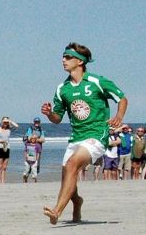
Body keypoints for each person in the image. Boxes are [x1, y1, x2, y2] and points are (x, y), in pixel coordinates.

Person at [40, 43, 126, 225]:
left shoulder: (96, 82)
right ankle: (77, 202)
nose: (63, 60)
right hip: (76, 137)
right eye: (63, 57)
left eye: (67, 57)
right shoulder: (62, 88)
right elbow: (57, 118)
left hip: (96, 134)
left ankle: (56, 211)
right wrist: (49, 114)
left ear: (80, 61)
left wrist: (119, 116)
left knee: (72, 165)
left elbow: (122, 98)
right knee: (67, 175)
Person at [0, 117, 18, 183]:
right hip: (0, 147)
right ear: (1, 122)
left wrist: (9, 121)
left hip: (7, 147)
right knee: (0, 165)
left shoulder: (9, 129)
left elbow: (17, 126)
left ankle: (3, 181)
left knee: (4, 166)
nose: (5, 123)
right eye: (4, 122)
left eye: (6, 122)